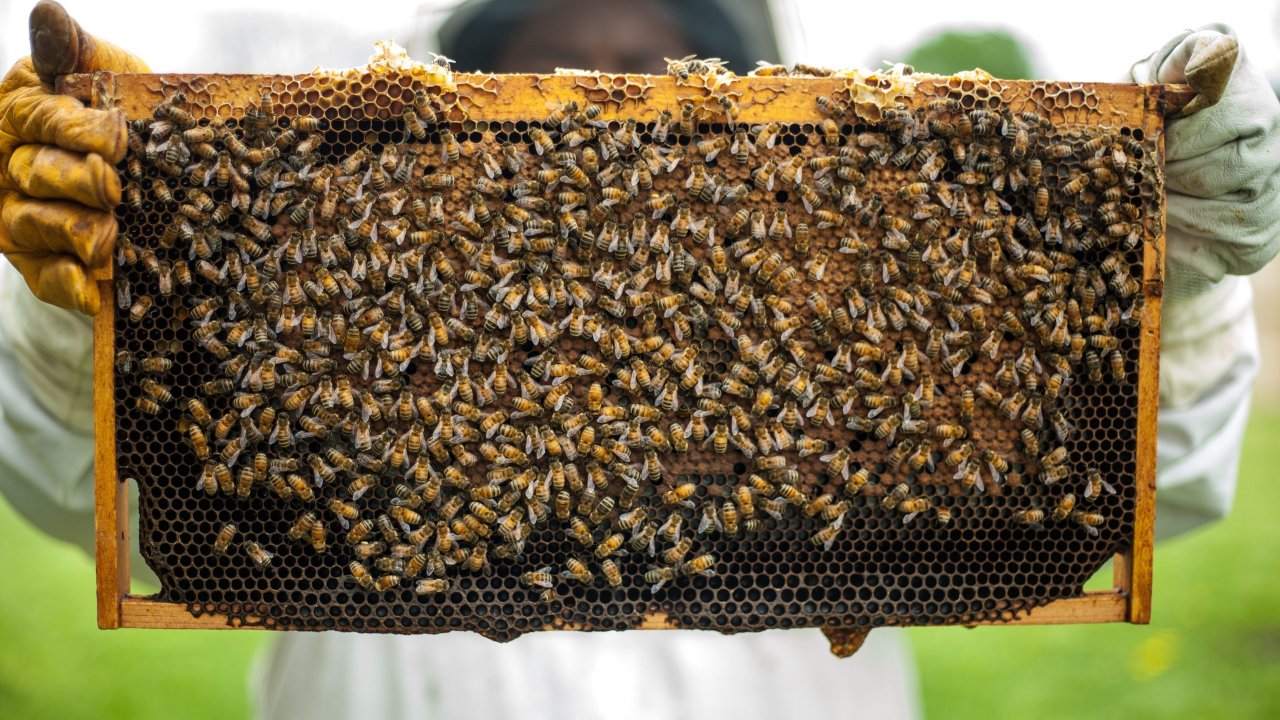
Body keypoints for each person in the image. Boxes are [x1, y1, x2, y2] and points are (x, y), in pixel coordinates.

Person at [0, 1, 1276, 717]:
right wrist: (100, 300)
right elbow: (90, 493)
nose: (602, 93)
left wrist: (1178, 268)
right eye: (551, 58)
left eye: (650, 61)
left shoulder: (841, 314)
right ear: (459, 93)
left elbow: (1142, 482)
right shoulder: (302, 298)